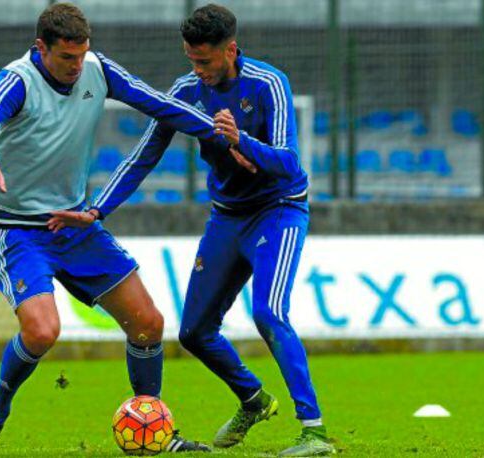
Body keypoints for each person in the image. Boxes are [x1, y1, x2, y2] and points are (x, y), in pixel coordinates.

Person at [50, 4, 335, 457]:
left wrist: (242, 139)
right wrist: (98, 210)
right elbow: (145, 155)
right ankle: (253, 400)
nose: (196, 70)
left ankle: (314, 432)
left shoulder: (269, 84)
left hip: (278, 212)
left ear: (231, 50)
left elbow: (290, 164)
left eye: (204, 61)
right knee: (195, 333)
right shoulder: (185, 90)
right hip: (226, 216)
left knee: (268, 312)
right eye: (190, 60)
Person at [0, 3, 228, 456]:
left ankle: (154, 426)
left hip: (76, 226)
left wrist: (226, 138)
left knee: (148, 323)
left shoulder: (98, 69)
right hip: (21, 233)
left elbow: (159, 104)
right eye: (66, 58)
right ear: (40, 48)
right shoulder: (17, 80)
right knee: (42, 331)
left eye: (82, 56)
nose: (76, 66)